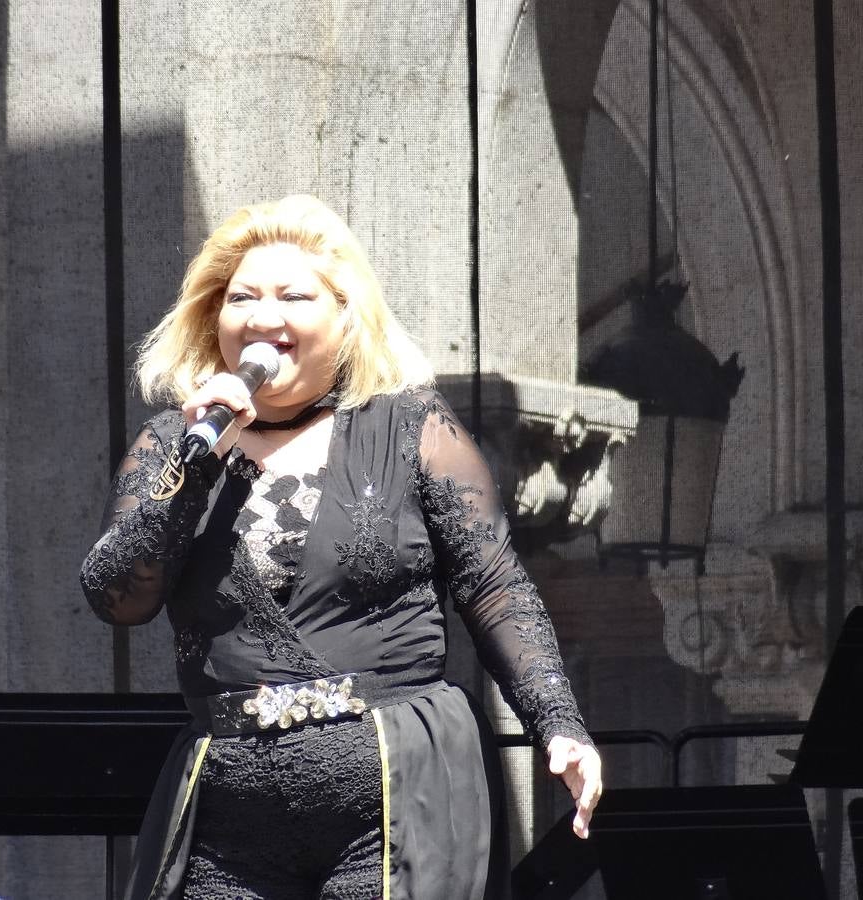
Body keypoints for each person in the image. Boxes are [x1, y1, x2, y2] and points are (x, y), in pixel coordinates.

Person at [80, 194, 602, 900]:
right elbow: (116, 596)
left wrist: (557, 723)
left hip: (394, 789)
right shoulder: (176, 443)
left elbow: (493, 586)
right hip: (230, 811)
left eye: (294, 296)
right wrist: (194, 471)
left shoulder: (410, 426)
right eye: (241, 298)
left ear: (345, 316)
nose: (263, 317)